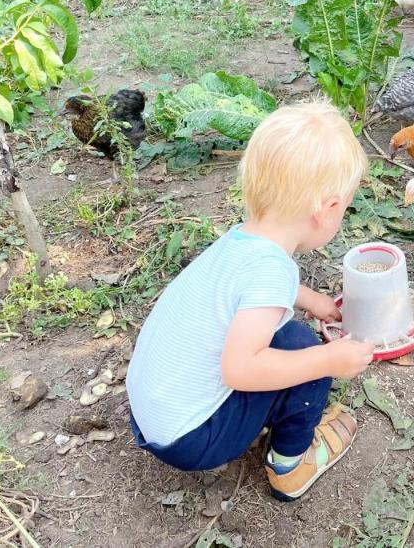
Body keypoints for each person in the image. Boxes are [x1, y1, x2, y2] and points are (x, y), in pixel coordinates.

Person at [126, 101, 374, 501]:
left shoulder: (243, 241)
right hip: (191, 438)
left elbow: (255, 289)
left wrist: (310, 299)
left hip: (153, 414)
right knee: (307, 354)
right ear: (327, 210)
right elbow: (240, 369)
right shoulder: (270, 270)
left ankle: (255, 417)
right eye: (344, 207)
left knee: (288, 335)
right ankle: (291, 467)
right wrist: (330, 360)